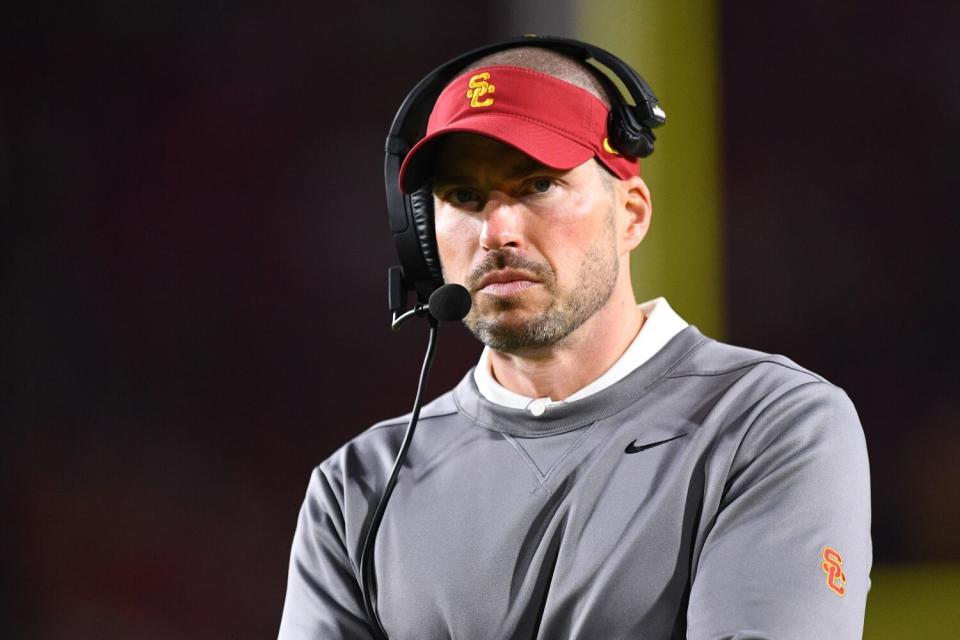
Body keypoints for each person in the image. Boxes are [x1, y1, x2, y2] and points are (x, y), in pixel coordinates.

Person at [278, 42, 871, 640]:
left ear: (632, 214)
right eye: (463, 196)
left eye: (538, 184)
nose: (496, 231)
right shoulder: (358, 486)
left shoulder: (770, 425)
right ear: (422, 241)